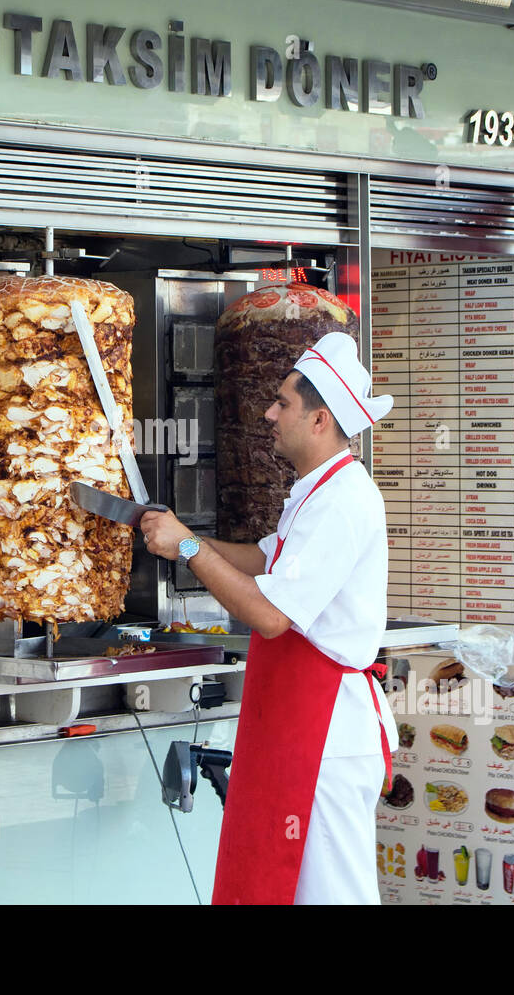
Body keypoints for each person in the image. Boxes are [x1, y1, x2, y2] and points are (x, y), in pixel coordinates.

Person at [140, 331, 396, 905]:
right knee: (287, 882)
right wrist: (182, 533)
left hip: (325, 730)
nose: (267, 413)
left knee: (331, 894)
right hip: (296, 721)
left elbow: (272, 614)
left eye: (283, 403)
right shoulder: (316, 489)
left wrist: (186, 550)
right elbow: (264, 559)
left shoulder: (345, 500)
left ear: (320, 419)